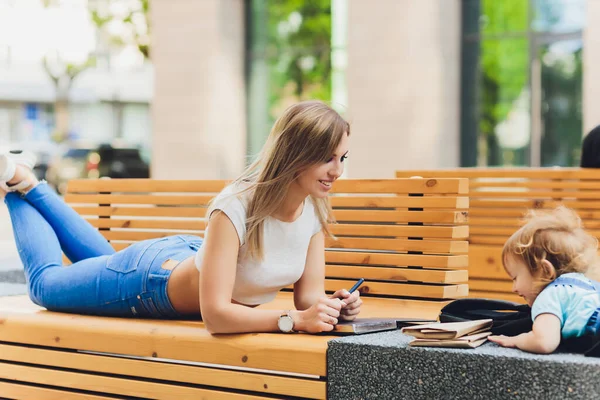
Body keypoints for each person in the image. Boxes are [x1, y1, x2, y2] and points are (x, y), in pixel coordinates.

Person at [0, 100, 362, 334]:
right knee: (45, 286)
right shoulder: (236, 206)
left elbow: (307, 296)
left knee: (102, 264)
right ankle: (17, 180)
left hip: (187, 257)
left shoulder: (313, 209)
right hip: (148, 284)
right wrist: (293, 322)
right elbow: (217, 316)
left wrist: (332, 307)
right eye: (326, 158)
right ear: (296, 154)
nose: (337, 171)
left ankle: (25, 182)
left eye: (341, 158)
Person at [488, 206, 600, 353]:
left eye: (515, 278)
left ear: (545, 271)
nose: (513, 288)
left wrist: (516, 339)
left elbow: (543, 342)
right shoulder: (589, 286)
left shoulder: (549, 296)